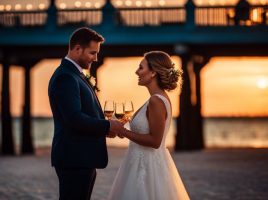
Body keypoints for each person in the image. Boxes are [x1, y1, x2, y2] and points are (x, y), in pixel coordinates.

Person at [48, 27, 123, 200]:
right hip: (74, 159)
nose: (96, 58)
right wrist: (107, 125)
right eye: (92, 53)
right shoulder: (65, 77)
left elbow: (84, 115)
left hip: (82, 157)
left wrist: (106, 129)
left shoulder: (76, 75)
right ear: (77, 49)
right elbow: (74, 118)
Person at [108, 51, 190, 200]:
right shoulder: (156, 98)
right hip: (139, 162)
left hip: (147, 167)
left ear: (153, 72)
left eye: (141, 67)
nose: (136, 72)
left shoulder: (156, 101)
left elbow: (155, 141)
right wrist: (124, 128)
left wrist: (123, 131)